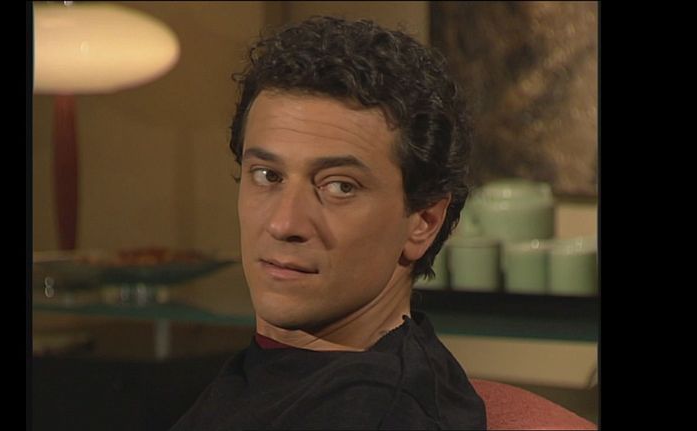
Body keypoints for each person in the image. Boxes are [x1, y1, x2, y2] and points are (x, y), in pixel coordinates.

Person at [170, 16, 486, 430]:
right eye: (268, 175)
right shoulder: (275, 369)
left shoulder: (376, 411)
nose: (284, 223)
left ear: (423, 222)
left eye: (339, 186)